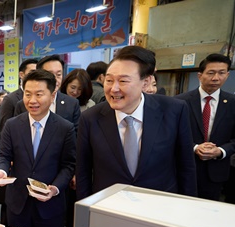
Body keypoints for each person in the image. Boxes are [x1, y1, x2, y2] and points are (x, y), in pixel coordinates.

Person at [77, 45, 197, 200]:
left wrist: (188, 206)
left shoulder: (174, 110)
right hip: (109, 207)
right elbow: (83, 173)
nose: (114, 88)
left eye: (123, 81)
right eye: (109, 80)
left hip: (160, 205)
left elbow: (186, 166)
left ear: (146, 82)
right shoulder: (90, 118)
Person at [0, 70, 76, 227]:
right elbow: (4, 156)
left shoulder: (65, 128)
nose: (32, 100)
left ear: (53, 95)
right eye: (27, 94)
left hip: (50, 206)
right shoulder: (13, 125)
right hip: (18, 203)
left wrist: (54, 189)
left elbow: (68, 165)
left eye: (39, 94)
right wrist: (1, 171)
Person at [176, 53, 235, 201]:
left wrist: (220, 151)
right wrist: (195, 147)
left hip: (216, 171)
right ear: (199, 75)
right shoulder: (179, 102)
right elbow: (172, 135)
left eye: (221, 73)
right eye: (211, 73)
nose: (216, 78)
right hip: (184, 168)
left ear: (227, 75)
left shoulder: (233, 103)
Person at [30, 55, 81, 132]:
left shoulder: (72, 104)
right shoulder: (25, 103)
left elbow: (77, 134)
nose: (55, 80)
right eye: (50, 75)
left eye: (59, 75)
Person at [0, 58, 38, 128]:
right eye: (32, 72)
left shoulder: (42, 97)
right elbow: (5, 128)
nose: (35, 76)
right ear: (21, 74)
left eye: (38, 73)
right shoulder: (10, 99)